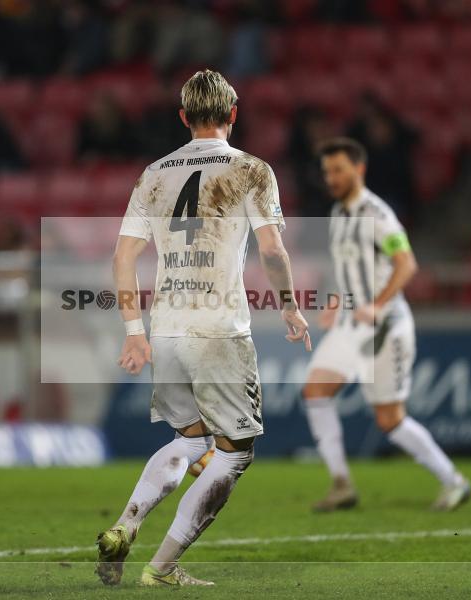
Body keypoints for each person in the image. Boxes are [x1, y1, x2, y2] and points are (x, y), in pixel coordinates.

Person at [97, 69, 311, 587]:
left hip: (166, 326)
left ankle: (126, 524)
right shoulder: (252, 171)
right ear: (233, 115)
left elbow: (124, 256)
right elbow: (273, 250)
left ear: (183, 117)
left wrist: (132, 329)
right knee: (235, 453)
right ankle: (162, 567)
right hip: (218, 328)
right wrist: (289, 306)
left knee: (191, 439)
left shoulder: (154, 173)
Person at [301, 137, 471, 513]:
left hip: (386, 327)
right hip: (351, 325)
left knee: (389, 420)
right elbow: (345, 271)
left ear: (359, 169)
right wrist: (334, 301)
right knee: (315, 391)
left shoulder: (378, 214)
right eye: (327, 171)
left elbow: (407, 264)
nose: (331, 177)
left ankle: (454, 481)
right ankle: (341, 484)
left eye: (339, 170)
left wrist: (376, 306)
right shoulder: (337, 215)